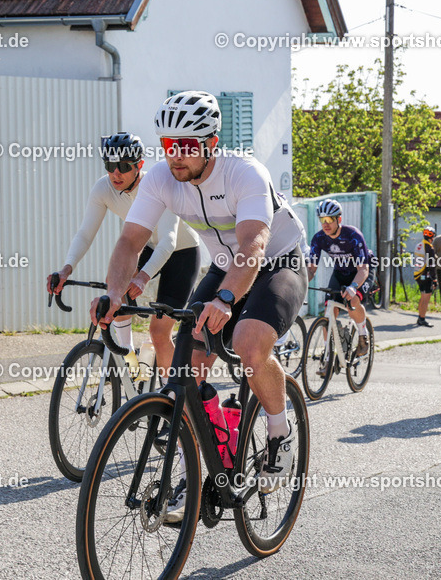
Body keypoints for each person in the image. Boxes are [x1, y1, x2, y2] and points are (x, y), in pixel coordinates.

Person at [91, 91, 307, 511]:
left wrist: (227, 298)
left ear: (211, 142)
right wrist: (114, 294)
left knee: (247, 343)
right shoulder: (160, 178)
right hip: (226, 265)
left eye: (187, 146)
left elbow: (255, 241)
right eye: (170, 145)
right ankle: (205, 466)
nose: (176, 156)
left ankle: (280, 432)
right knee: (185, 370)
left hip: (276, 262)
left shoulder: (243, 172)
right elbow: (129, 242)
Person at [48, 132, 200, 379]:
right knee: (114, 284)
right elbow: (85, 233)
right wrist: (67, 268)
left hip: (181, 252)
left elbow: (168, 242)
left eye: (123, 167)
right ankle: (130, 361)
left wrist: (142, 277)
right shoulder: (103, 188)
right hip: (147, 246)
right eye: (110, 166)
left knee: (159, 332)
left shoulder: (158, 184)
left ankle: (171, 396)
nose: (115, 174)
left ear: (139, 165)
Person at [306, 198, 377, 345]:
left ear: (339, 219)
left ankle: (363, 336)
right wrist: (300, 283)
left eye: (329, 219)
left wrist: (353, 287)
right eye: (322, 219)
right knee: (329, 312)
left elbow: (363, 269)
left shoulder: (353, 236)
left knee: (352, 302)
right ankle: (327, 357)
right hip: (340, 272)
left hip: (362, 270)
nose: (325, 223)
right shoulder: (318, 238)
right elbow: (311, 269)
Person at [411, 225, 437, 328]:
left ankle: (420, 317)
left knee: (422, 296)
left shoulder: (419, 245)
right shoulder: (429, 248)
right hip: (426, 276)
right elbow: (431, 264)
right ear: (431, 237)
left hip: (418, 275)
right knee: (426, 298)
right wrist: (434, 279)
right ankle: (422, 319)